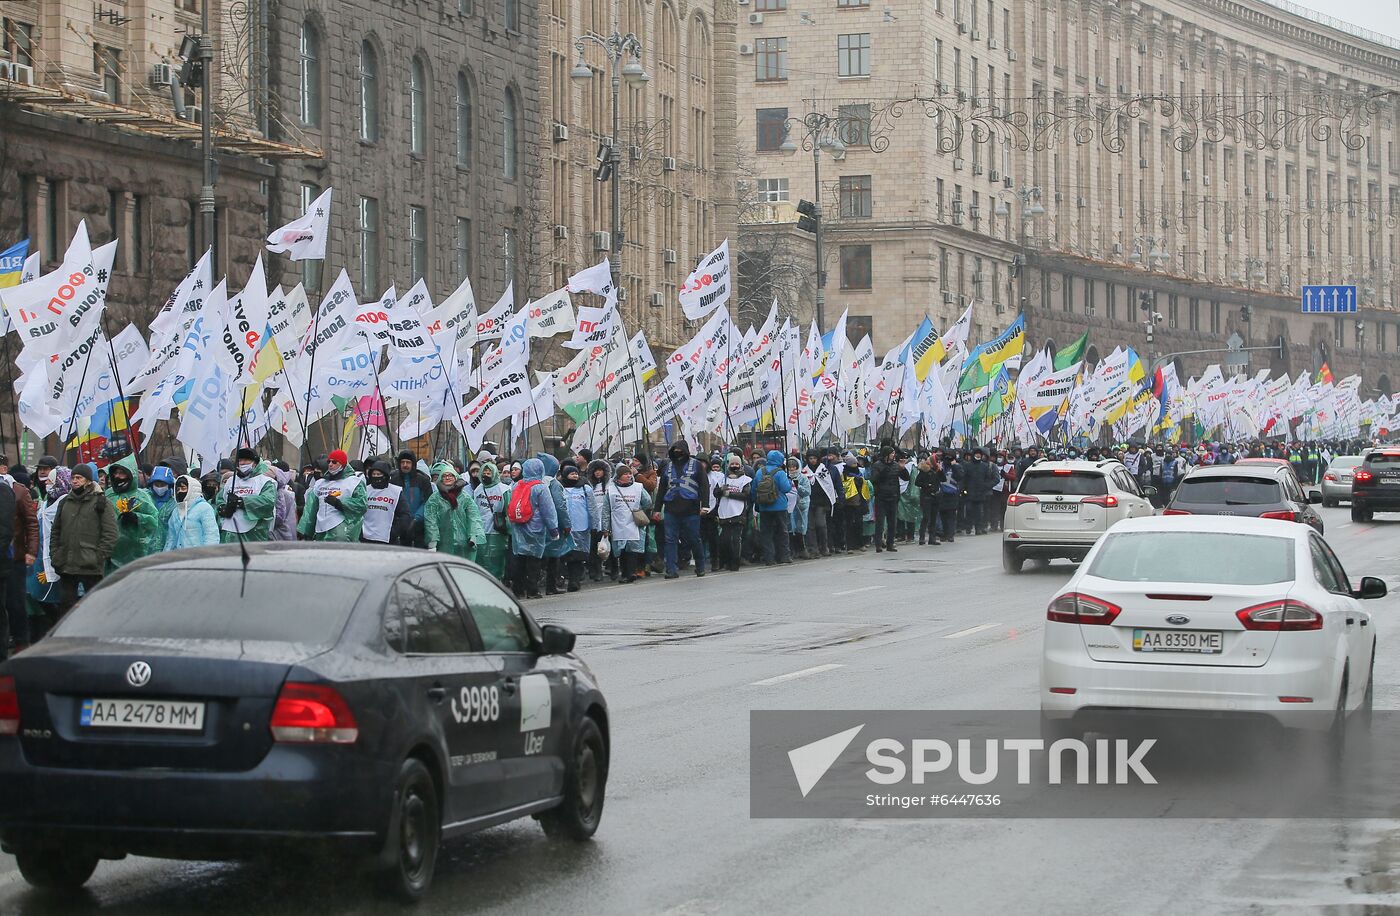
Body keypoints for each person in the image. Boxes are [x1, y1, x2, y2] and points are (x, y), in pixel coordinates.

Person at [49, 464, 118, 615]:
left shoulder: (101, 502)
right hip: (67, 565)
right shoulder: (65, 502)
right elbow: (56, 531)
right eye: (73, 478)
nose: (75, 481)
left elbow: (110, 533)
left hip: (90, 567)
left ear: (88, 481)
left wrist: (98, 557)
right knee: (66, 610)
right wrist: (56, 554)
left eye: (79, 478)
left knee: (93, 610)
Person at [653, 441, 710, 579]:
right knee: (670, 540)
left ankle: (700, 566)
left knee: (694, 539)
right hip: (671, 509)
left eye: (680, 449)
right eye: (675, 449)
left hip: (691, 509)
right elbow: (661, 490)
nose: (677, 451)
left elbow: (704, 485)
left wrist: (705, 505)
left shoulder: (695, 465)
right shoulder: (668, 467)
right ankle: (671, 569)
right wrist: (657, 509)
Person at [506, 457, 559, 598]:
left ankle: (518, 589)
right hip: (535, 528)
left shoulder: (516, 485)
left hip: (518, 527)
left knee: (519, 559)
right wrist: (554, 529)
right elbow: (548, 510)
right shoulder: (541, 487)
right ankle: (532, 590)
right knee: (534, 561)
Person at [28, 467, 68, 641]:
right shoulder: (46, 502)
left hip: (58, 554)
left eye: (51, 482)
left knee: (58, 598)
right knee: (36, 593)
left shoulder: (66, 502)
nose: (47, 485)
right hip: (41, 554)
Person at [298, 449, 368, 542]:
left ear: (342, 464)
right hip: (321, 531)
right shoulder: (320, 483)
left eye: (334, 462)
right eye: (329, 462)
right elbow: (311, 509)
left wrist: (339, 503)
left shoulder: (354, 482)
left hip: (342, 531)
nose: (330, 464)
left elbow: (361, 505)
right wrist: (305, 530)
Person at [602, 463, 650, 585]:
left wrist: (638, 511)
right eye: (625, 474)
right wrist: (605, 527)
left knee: (632, 549)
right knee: (622, 550)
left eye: (629, 473)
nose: (629, 475)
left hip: (633, 522)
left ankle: (631, 572)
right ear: (618, 476)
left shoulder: (638, 487)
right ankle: (625, 573)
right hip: (617, 523)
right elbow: (606, 509)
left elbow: (648, 501)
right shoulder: (611, 490)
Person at [216, 449, 278, 543]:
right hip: (230, 531)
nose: (243, 463)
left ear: (255, 462)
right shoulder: (231, 481)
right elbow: (220, 498)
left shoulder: (265, 482)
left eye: (246, 460)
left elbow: (268, 502)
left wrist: (241, 502)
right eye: (240, 460)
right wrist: (223, 508)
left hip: (254, 533)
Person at [424, 462, 484, 558]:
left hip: (464, 544)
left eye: (450, 475)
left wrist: (472, 535)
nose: (448, 478)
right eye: (444, 476)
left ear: (455, 477)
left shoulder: (464, 497)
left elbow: (473, 517)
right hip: (443, 544)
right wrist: (433, 541)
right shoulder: (435, 498)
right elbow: (431, 520)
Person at [105, 462, 158, 572]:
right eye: (115, 473)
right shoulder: (108, 494)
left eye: (121, 473)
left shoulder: (141, 497)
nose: (117, 476)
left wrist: (136, 518)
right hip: (110, 555)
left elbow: (154, 522)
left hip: (135, 555)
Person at [537, 453, 573, 594]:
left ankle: (532, 587)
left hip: (535, 525)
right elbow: (560, 506)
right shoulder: (554, 484)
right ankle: (550, 587)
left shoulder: (531, 483)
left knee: (537, 557)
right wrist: (567, 524)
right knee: (553, 556)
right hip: (553, 525)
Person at [751, 449, 794, 566]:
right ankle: (784, 556)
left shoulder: (760, 472)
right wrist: (789, 481)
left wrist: (757, 504)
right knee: (782, 532)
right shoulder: (780, 472)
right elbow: (786, 488)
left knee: (766, 533)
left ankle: (769, 558)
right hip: (779, 506)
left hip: (764, 507)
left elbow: (754, 489)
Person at [473, 461, 511, 580]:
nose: (486, 475)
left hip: (497, 530)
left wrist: (509, 530)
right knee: (481, 559)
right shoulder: (478, 489)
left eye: (489, 473)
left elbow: (508, 510)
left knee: (497, 559)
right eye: (484, 472)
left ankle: (498, 582)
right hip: (481, 530)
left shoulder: (504, 489)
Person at [712, 455, 751, 572]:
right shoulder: (723, 479)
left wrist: (729, 494)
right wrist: (720, 490)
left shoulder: (745, 480)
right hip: (724, 512)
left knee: (735, 540)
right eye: (732, 464)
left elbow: (745, 495)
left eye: (736, 464)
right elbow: (715, 493)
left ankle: (735, 562)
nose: (734, 466)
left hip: (738, 513)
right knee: (724, 540)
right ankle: (725, 562)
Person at [558, 463, 593, 592]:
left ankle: (574, 581)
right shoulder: (559, 488)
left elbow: (592, 508)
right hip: (564, 528)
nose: (574, 475)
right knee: (563, 555)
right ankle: (561, 577)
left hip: (581, 527)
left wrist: (595, 525)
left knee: (577, 556)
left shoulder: (585, 489)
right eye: (571, 473)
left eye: (576, 473)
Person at [869, 446, 909, 553]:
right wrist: (884, 470)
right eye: (891, 453)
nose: (893, 455)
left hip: (893, 497)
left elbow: (906, 477)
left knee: (892, 522)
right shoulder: (877, 465)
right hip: (881, 497)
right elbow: (874, 479)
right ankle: (878, 544)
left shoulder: (896, 465)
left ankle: (890, 543)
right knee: (880, 522)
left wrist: (902, 468)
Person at [361, 460, 411, 545]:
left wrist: (395, 532)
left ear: (385, 476)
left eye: (378, 474)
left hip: (388, 539)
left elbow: (405, 515)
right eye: (374, 474)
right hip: (366, 538)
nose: (376, 477)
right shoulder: (364, 490)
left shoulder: (396, 492)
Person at [164, 475, 220, 551]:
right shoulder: (175, 512)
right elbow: (170, 539)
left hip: (198, 557)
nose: (180, 491)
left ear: (191, 489)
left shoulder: (204, 508)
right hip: (179, 558)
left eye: (183, 488)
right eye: (178, 489)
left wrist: (207, 556)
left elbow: (211, 535)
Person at [392, 450, 433, 548]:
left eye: (408, 462)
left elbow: (428, 502)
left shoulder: (423, 480)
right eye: (402, 462)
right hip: (399, 527)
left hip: (419, 526)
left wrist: (416, 518)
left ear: (413, 464)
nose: (405, 465)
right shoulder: (393, 480)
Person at [802, 451, 838, 557]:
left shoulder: (823, 470)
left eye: (814, 458)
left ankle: (824, 546)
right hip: (809, 502)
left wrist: (829, 501)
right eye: (810, 458)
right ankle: (813, 549)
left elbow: (828, 486)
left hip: (821, 503)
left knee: (821, 525)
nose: (812, 460)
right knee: (810, 526)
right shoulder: (805, 471)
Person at [841, 455, 871, 553]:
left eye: (855, 463)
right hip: (848, 503)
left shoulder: (859, 473)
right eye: (853, 463)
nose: (855, 465)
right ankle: (850, 546)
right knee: (849, 524)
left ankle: (860, 543)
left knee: (859, 523)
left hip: (859, 502)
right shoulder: (844, 475)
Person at [914, 455, 944, 545]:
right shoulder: (925, 470)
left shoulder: (937, 471)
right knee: (926, 517)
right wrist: (927, 485)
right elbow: (917, 482)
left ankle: (932, 538)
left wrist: (940, 471)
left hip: (935, 496)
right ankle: (922, 537)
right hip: (926, 496)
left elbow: (943, 479)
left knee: (934, 517)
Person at [147, 466, 177, 554]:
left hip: (168, 547)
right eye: (157, 485)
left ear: (169, 485)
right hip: (146, 547)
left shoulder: (174, 503)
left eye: (163, 485)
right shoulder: (146, 499)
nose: (159, 488)